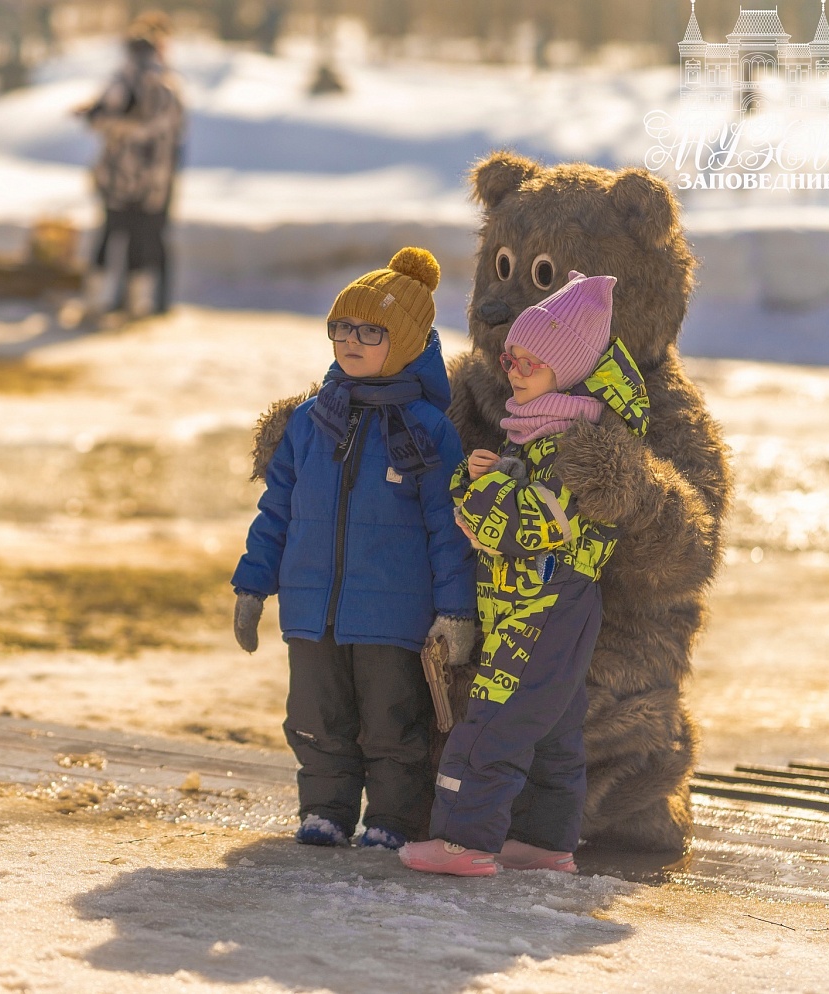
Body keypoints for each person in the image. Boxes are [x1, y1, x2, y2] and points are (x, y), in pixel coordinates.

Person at [401, 272, 647, 877]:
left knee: (495, 718)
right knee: (554, 721)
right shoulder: (542, 431)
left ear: (566, 368)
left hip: (546, 600)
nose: (514, 368)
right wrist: (493, 473)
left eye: (533, 361)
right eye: (511, 355)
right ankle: (544, 839)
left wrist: (474, 486)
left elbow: (521, 527)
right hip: (538, 600)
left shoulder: (576, 445)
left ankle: (465, 839)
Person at [232, 249, 477, 850]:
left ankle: (392, 818)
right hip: (313, 608)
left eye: (371, 331)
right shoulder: (312, 422)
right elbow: (278, 509)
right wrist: (252, 583)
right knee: (315, 719)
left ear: (409, 342)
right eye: (341, 328)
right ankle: (325, 809)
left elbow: (450, 528)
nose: (351, 340)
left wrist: (456, 610)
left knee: (392, 724)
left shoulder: (427, 430)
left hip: (392, 615)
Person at [80, 11, 185, 319]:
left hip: (141, 177)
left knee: (136, 236)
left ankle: (139, 301)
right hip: (136, 177)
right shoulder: (148, 83)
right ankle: (123, 300)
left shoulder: (157, 85)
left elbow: (153, 127)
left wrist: (110, 123)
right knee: (125, 235)